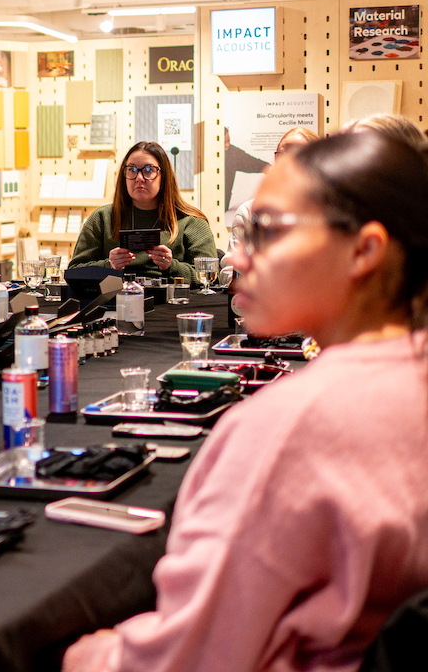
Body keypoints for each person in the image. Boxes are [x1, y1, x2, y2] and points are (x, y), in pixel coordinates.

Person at [63, 128, 428, 672]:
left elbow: (181, 659)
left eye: (267, 231)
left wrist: (87, 657)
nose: (236, 256)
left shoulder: (284, 429)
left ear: (364, 250)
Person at [68, 141, 216, 283]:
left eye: (149, 170)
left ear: (163, 177)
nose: (139, 178)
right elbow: (74, 272)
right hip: (116, 304)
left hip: (172, 304)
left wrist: (171, 266)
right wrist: (108, 265)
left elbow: (211, 278)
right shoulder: (102, 218)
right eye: (131, 170)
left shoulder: (191, 222)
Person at [225, 126, 320, 256]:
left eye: (300, 154)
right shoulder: (248, 211)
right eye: (283, 155)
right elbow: (231, 270)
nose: (289, 162)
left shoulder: (334, 212)